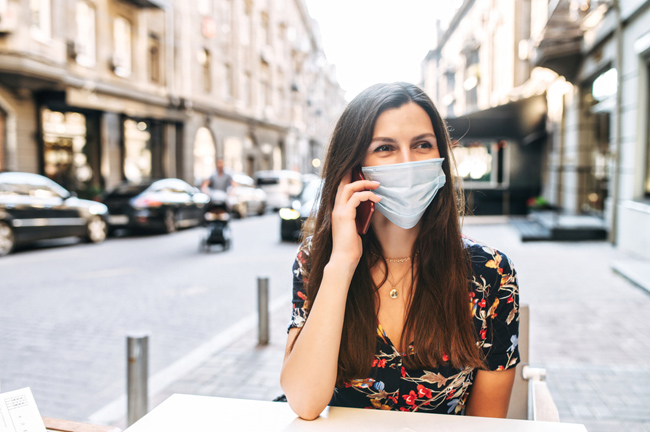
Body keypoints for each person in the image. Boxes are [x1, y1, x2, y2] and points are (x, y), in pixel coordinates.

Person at [280, 82, 520, 420]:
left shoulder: (490, 271)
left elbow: (486, 425)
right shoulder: (316, 261)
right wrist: (343, 263)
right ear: (353, 168)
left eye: (422, 144)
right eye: (385, 148)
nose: (407, 163)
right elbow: (304, 402)